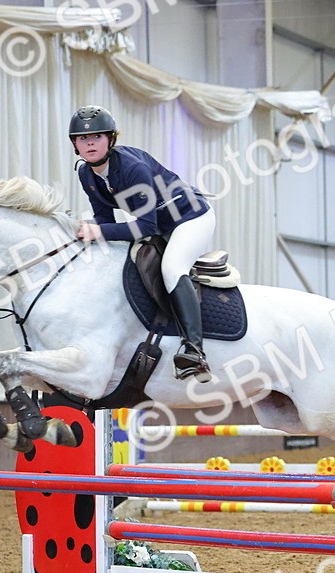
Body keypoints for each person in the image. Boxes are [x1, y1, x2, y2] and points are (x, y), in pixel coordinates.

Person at [69, 105, 213, 382]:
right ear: (75, 144)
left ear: (110, 139)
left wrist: (95, 232)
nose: (89, 143)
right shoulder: (86, 174)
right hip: (160, 223)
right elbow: (103, 218)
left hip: (190, 217)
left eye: (97, 137)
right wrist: (94, 234)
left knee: (172, 268)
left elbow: (143, 227)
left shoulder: (132, 168)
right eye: (83, 138)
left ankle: (194, 349)